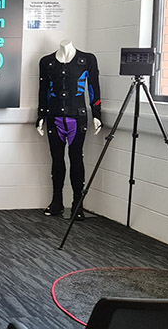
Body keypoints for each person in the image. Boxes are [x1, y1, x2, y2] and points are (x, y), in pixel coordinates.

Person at [36, 39, 102, 221]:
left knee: (76, 158)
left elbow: (93, 87)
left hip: (77, 118)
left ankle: (77, 204)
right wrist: (40, 116)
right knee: (57, 160)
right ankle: (56, 201)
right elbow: (43, 90)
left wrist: (97, 114)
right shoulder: (46, 62)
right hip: (54, 117)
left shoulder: (87, 59)